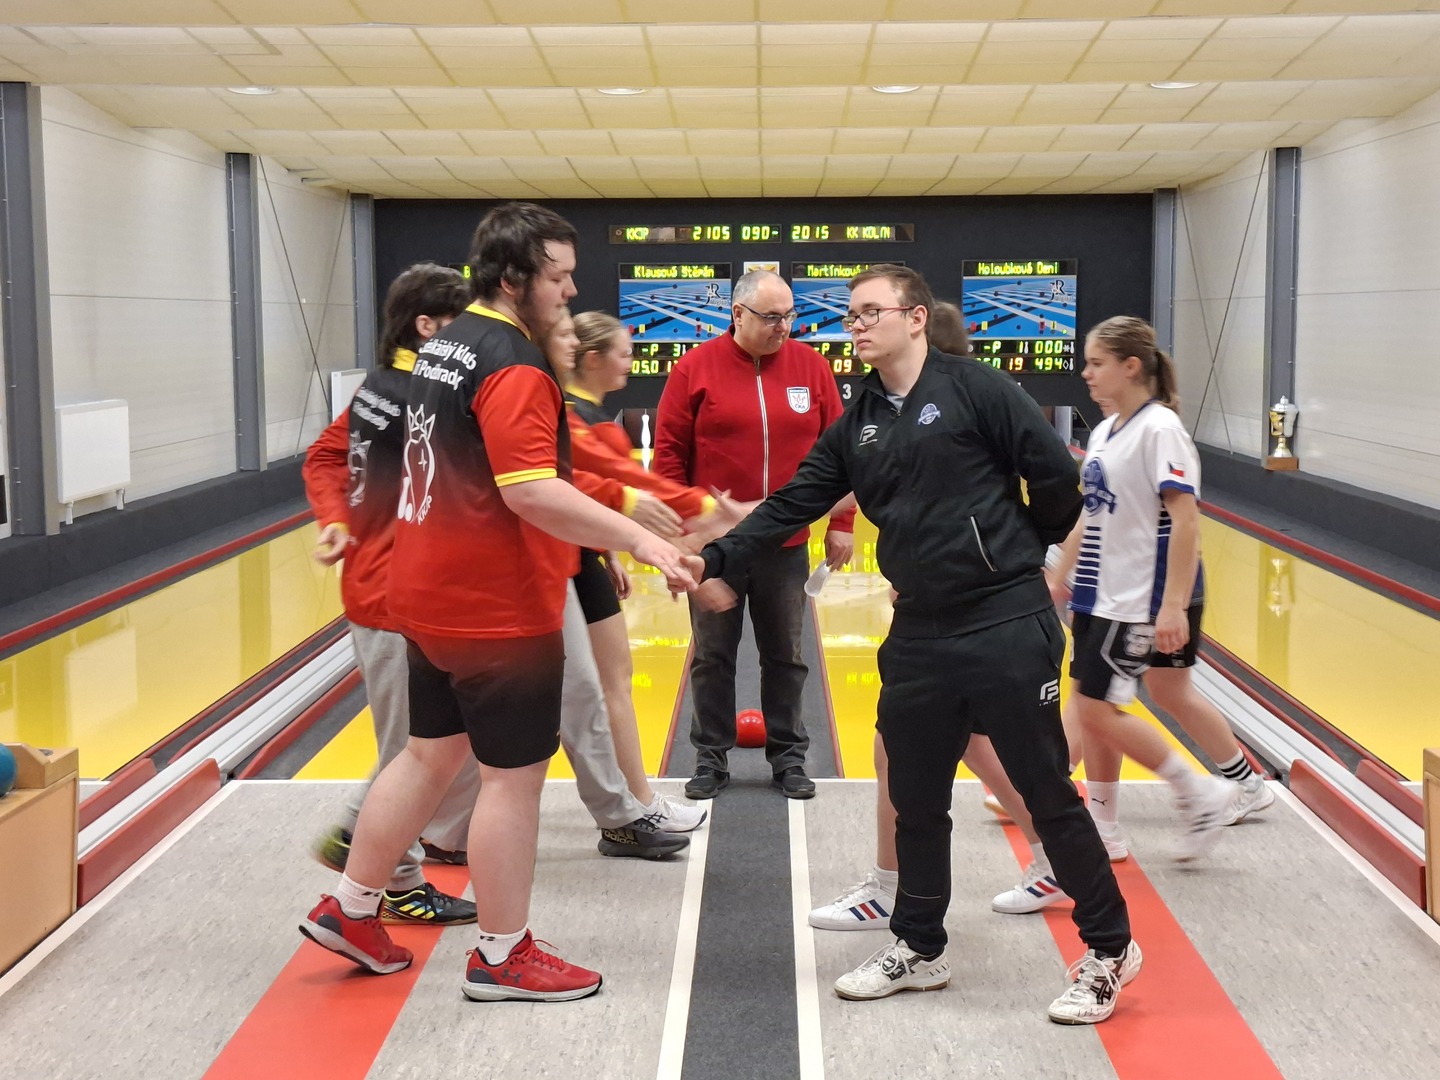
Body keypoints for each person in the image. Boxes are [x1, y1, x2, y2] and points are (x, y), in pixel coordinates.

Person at [682, 264, 1138, 1025]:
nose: (856, 325)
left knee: (1045, 791)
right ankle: (919, 945)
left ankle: (1111, 947)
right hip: (921, 631)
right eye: (851, 315)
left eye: (871, 311)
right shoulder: (859, 419)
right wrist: (716, 558)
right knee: (916, 801)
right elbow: (794, 501)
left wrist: (1013, 552)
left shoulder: (978, 389)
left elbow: (1057, 479)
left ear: (916, 317)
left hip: (1003, 619)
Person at [299, 202, 696, 1003]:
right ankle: (502, 955)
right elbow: (530, 489)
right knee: (512, 781)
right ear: (514, 278)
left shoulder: (442, 349)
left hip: (423, 594)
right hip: (494, 608)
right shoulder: (512, 363)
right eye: (558, 276)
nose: (570, 290)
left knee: (428, 755)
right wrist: (639, 538)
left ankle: (352, 908)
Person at [808, 299, 1082, 929]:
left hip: (972, 621)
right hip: (954, 614)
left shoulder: (955, 412)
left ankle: (893, 889)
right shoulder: (925, 413)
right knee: (974, 748)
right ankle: (1055, 859)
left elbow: (1043, 491)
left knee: (898, 748)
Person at [303, 263, 478, 926]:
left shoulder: (379, 386)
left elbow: (323, 456)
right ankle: (385, 866)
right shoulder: (422, 399)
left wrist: (335, 521)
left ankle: (389, 848)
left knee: (432, 742)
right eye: (462, 324)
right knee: (413, 751)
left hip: (380, 589)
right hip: (397, 599)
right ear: (427, 326)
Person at [1050, 316, 1254, 862]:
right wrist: (1060, 574)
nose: (1086, 373)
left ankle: (1200, 791)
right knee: (1093, 707)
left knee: (1097, 710)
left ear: (1131, 366)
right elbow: (1092, 513)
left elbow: (1185, 522)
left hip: (1135, 596)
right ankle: (1104, 823)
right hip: (1100, 592)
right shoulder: (1103, 432)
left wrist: (1172, 607)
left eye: (1097, 363)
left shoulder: (1160, 429)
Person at [654, 269, 855, 801]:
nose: (783, 326)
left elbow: (840, 454)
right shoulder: (694, 368)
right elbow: (668, 456)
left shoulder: (812, 368)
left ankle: (789, 757)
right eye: (771, 317)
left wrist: (841, 523)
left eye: (789, 316)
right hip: (714, 547)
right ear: (738, 314)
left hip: (785, 545)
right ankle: (710, 758)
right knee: (712, 656)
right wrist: (683, 536)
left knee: (786, 656)